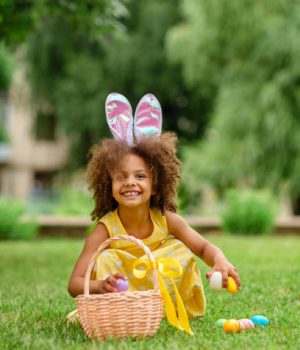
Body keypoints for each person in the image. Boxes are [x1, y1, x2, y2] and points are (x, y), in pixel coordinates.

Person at [68, 93, 240, 332]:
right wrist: (100, 286)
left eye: (140, 176)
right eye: (121, 177)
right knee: (106, 258)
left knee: (180, 249)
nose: (130, 182)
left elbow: (202, 248)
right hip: (122, 300)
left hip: (159, 295)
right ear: (110, 185)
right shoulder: (105, 229)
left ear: (156, 185)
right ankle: (129, 311)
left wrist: (221, 261)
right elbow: (75, 283)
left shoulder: (166, 219)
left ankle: (165, 307)